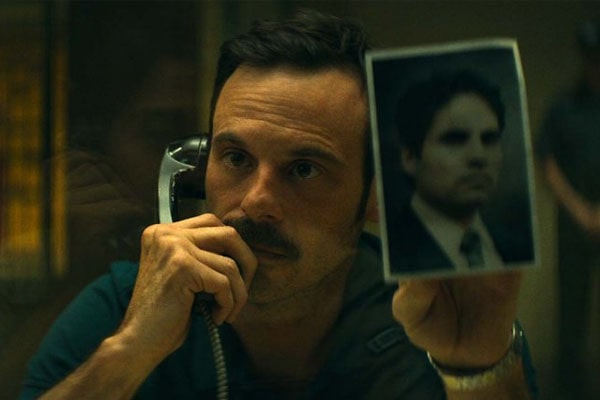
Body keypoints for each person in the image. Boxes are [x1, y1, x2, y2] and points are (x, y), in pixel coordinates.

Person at [21, 10, 537, 399]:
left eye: (304, 169)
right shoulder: (129, 305)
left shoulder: (432, 312)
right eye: (236, 158)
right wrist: (131, 351)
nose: (257, 202)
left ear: (375, 195)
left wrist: (476, 368)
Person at [390, 70, 533, 274]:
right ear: (410, 158)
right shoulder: (391, 256)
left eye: (489, 139)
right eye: (455, 139)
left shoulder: (517, 249)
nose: (478, 156)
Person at [536, 20, 600, 399]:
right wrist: (581, 212)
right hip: (574, 225)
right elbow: (546, 161)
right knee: (571, 318)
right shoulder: (564, 108)